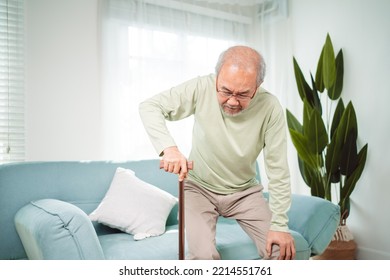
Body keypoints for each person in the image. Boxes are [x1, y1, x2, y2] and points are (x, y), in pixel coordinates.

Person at [139, 45, 295, 260]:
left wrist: (280, 224)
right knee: (203, 257)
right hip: (198, 188)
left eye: (242, 94)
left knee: (280, 252)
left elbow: (278, 170)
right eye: (225, 91)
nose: (232, 101)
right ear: (217, 78)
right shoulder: (202, 86)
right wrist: (170, 149)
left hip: (245, 193)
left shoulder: (270, 107)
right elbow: (150, 106)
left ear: (258, 87)